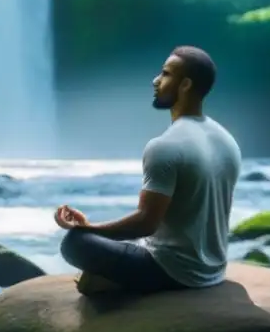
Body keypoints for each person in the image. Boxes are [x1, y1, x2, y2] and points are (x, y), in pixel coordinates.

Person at [55, 46, 241, 295]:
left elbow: (145, 224)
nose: (156, 80)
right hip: (213, 270)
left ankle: (115, 286)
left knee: (74, 242)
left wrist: (88, 229)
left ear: (185, 85)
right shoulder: (227, 140)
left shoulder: (164, 146)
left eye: (165, 74)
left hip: (173, 272)